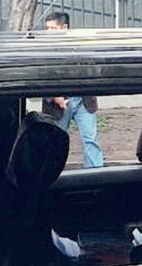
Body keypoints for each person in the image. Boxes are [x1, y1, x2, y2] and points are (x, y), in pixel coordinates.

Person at [43, 11, 103, 168]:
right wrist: (53, 96)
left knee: (90, 139)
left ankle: (95, 173)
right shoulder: (44, 49)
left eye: (53, 28)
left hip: (83, 100)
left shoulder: (79, 46)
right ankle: (52, 172)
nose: (49, 32)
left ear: (65, 27)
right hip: (59, 102)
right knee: (55, 140)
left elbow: (90, 70)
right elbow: (41, 75)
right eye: (47, 28)